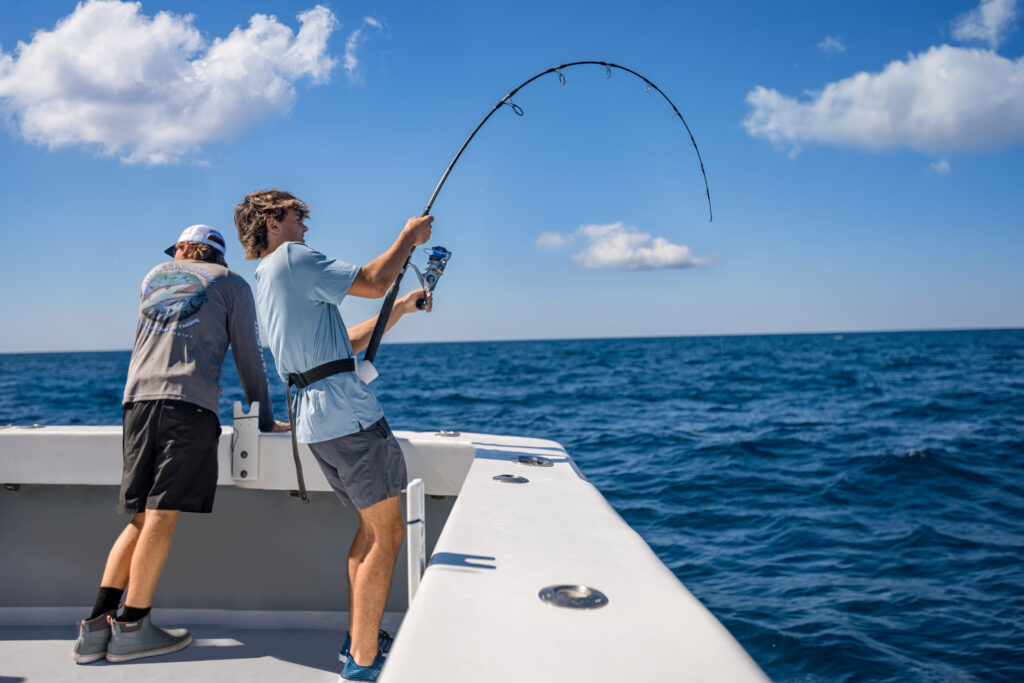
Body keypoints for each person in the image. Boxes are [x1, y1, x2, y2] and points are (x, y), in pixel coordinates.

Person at [233, 189, 433, 682]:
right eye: (297, 217)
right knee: (386, 536)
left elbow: (340, 345)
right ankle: (363, 664)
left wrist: (400, 308)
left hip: (317, 422)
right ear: (272, 224)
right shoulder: (293, 258)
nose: (305, 227)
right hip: (349, 418)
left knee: (369, 531)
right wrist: (409, 237)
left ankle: (356, 642)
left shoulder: (268, 277)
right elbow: (372, 279)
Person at [72, 225, 288, 664]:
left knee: (139, 518)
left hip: (135, 405)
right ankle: (132, 625)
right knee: (162, 516)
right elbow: (249, 357)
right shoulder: (231, 284)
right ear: (217, 256)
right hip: (186, 409)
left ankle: (95, 630)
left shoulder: (153, 278)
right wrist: (265, 417)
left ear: (186, 250)